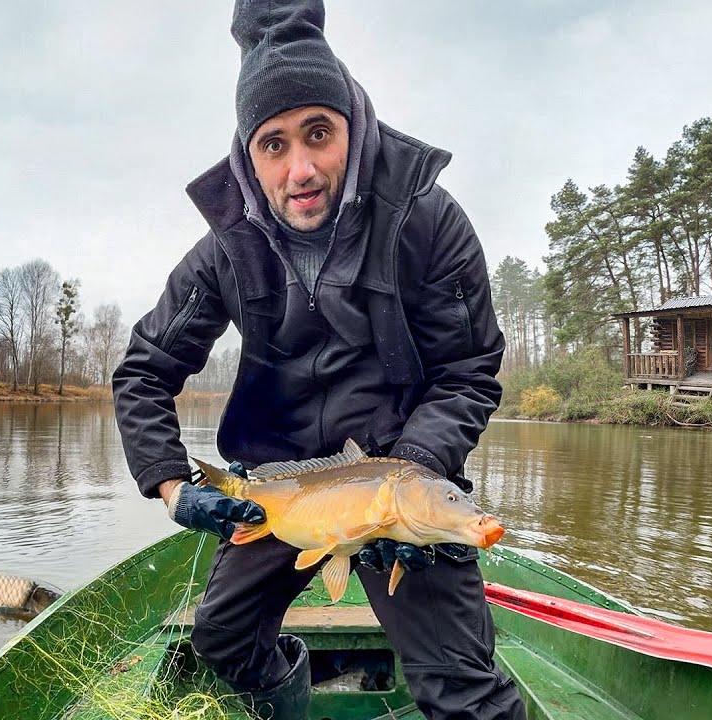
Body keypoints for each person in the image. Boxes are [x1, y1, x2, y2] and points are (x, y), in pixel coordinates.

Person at [112, 2, 526, 718]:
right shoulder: (222, 253)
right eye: (273, 144)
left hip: (403, 468)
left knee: (462, 690)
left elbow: (468, 371)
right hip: (286, 486)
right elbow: (143, 372)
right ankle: (290, 700)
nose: (299, 169)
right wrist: (175, 487)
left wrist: (412, 476)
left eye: (318, 133)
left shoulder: (428, 223)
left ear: (354, 129)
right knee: (221, 638)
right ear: (248, 156)